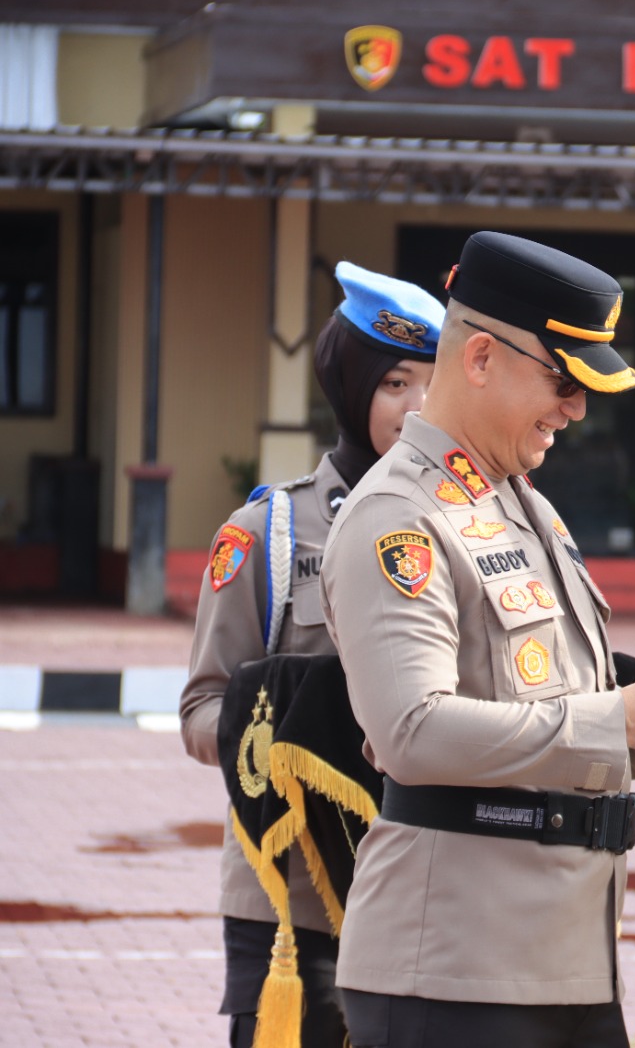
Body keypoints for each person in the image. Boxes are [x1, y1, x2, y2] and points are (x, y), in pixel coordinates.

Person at [318, 231, 635, 1048]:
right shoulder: (399, 515)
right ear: (481, 357)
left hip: (565, 959)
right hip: (457, 968)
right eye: (563, 380)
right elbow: (411, 732)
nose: (578, 408)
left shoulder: (524, 505)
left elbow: (555, 717)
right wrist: (623, 720)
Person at [179, 261, 442, 1048]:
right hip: (292, 904)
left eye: (435, 385)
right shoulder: (268, 535)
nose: (418, 407)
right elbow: (201, 711)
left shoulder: (468, 531)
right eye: (397, 383)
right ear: (351, 387)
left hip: (430, 897)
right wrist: (295, 723)